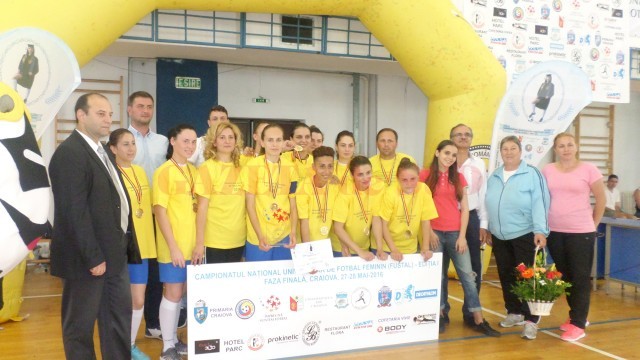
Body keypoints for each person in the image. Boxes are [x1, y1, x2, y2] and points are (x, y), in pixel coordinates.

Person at [49, 93, 136, 359]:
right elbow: (74, 212)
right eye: (101, 113)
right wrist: (93, 257)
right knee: (80, 328)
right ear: (81, 115)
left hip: (114, 256)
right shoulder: (70, 153)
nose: (108, 119)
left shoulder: (102, 151)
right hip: (87, 260)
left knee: (118, 323)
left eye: (110, 114)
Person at [420, 140, 500, 337]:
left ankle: (478, 318)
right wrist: (429, 231)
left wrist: (462, 236)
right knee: (438, 277)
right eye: (446, 153)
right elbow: (421, 207)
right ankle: (439, 314)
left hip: (456, 233)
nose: (450, 157)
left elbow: (465, 209)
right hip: (434, 233)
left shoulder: (460, 178)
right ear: (437, 153)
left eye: (454, 155)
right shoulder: (425, 175)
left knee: (468, 276)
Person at [542, 132, 606, 342]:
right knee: (567, 278)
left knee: (579, 278)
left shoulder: (589, 169)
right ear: (556, 149)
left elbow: (601, 199)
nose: (566, 149)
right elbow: (542, 199)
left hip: (581, 233)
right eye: (561, 146)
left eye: (569, 145)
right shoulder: (548, 170)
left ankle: (579, 324)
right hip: (555, 232)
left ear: (576, 147)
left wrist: (592, 225)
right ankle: (575, 316)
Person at [485, 135, 550, 340]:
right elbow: (488, 204)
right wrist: (487, 228)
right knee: (506, 274)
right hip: (499, 235)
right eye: (505, 149)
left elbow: (541, 202)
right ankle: (514, 312)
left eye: (513, 148)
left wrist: (540, 230)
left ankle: (531, 320)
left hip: (525, 233)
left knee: (528, 278)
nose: (509, 152)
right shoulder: (494, 175)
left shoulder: (532, 173)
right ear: (500, 152)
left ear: (520, 151)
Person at [126, 90, 171, 340]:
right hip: (130, 216)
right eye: (140, 106)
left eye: (149, 106)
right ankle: (124, 327)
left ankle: (153, 323)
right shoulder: (121, 139)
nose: (145, 110)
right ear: (129, 110)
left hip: (159, 213)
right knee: (131, 273)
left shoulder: (163, 141)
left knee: (154, 271)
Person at [108, 129, 156, 360]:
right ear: (113, 149)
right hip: (119, 246)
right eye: (125, 144)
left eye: (133, 143)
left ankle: (129, 345)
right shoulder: (109, 172)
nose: (130, 148)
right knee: (118, 300)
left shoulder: (140, 172)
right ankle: (116, 346)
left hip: (143, 245)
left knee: (138, 300)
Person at [153, 124, 199, 360]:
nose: (190, 146)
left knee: (185, 292)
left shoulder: (194, 171)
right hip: (174, 246)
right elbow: (159, 211)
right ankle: (167, 346)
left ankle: (178, 340)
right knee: (172, 292)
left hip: (193, 246)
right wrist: (173, 247)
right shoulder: (164, 171)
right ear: (172, 141)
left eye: (193, 142)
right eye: (185, 141)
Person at [449, 124, 490, 326]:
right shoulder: (444, 160)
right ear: (451, 138)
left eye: (467, 134)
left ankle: (471, 313)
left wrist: (483, 223)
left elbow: (483, 195)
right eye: (459, 134)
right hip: (446, 218)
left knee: (474, 266)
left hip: (472, 218)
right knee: (440, 267)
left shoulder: (479, 163)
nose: (463, 137)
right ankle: (441, 312)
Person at [242, 124, 298, 261]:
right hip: (259, 236)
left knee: (282, 279)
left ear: (283, 142)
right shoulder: (252, 166)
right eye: (270, 140)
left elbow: (292, 204)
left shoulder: (290, 167)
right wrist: (260, 235)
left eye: (278, 140)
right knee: (258, 280)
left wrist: (293, 231)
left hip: (284, 235)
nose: (274, 144)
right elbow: (250, 205)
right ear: (262, 142)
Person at [193, 122, 246, 265]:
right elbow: (202, 208)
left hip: (238, 239)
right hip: (214, 241)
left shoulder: (243, 167)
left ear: (236, 141)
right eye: (222, 137)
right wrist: (199, 243)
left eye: (231, 137)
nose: (227, 141)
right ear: (214, 142)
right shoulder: (206, 168)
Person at [377, 158, 437, 263]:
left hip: (410, 247)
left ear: (419, 176)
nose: (409, 183)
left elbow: (425, 220)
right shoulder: (390, 192)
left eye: (413, 179)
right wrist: (394, 250)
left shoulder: (424, 189)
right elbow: (383, 225)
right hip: (387, 246)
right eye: (404, 180)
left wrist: (425, 247)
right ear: (397, 179)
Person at [332, 156, 386, 260]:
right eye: (360, 174)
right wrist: (359, 251)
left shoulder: (378, 186)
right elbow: (338, 228)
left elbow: (376, 219)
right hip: (343, 248)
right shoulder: (345, 192)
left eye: (368, 172)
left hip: (364, 246)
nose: (366, 178)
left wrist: (379, 248)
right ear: (352, 175)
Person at [296, 146, 339, 243]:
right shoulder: (303, 188)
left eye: (330, 166)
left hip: (326, 243)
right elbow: (304, 221)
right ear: (314, 167)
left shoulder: (335, 186)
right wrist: (308, 248)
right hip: (305, 242)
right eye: (322, 166)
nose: (327, 171)